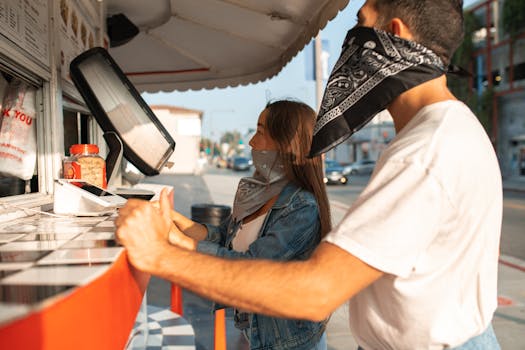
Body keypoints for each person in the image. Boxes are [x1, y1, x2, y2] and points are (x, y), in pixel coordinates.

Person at [116, 1, 503, 349]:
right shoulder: (451, 131)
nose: (350, 46)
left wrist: (159, 256)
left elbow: (315, 291)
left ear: (394, 35)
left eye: (361, 25)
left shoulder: (425, 152)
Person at [157, 100, 331, 350]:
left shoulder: (303, 207)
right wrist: (175, 220)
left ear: (286, 142)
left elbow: (251, 264)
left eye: (260, 131)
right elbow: (222, 237)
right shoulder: (264, 192)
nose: (251, 142)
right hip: (258, 334)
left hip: (290, 342)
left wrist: (178, 242)